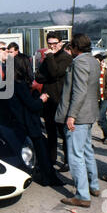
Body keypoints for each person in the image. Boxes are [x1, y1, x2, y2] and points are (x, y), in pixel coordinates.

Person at [55, 33, 101, 208]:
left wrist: (72, 115)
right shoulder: (94, 61)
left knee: (75, 155)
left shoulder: (79, 62)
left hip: (79, 116)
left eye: (71, 47)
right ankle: (93, 186)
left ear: (75, 47)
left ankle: (82, 195)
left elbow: (79, 91)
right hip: (89, 114)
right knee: (87, 150)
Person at [8, 54, 65, 186]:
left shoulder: (10, 82)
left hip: (19, 122)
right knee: (41, 149)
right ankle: (48, 177)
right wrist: (41, 99)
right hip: (27, 123)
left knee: (39, 148)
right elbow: (32, 106)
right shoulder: (19, 84)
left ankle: (46, 176)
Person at [35, 31, 73, 172]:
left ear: (61, 43)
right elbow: (39, 77)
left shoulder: (65, 58)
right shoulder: (47, 58)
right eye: (49, 44)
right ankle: (51, 160)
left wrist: (50, 58)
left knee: (63, 133)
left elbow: (55, 72)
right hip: (48, 101)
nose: (52, 47)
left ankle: (68, 161)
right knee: (50, 133)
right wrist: (50, 75)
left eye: (54, 44)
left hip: (61, 101)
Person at [94, 54, 107, 145]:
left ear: (101, 61)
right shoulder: (95, 69)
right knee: (100, 118)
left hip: (105, 97)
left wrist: (106, 96)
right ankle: (106, 134)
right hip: (97, 97)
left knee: (101, 117)